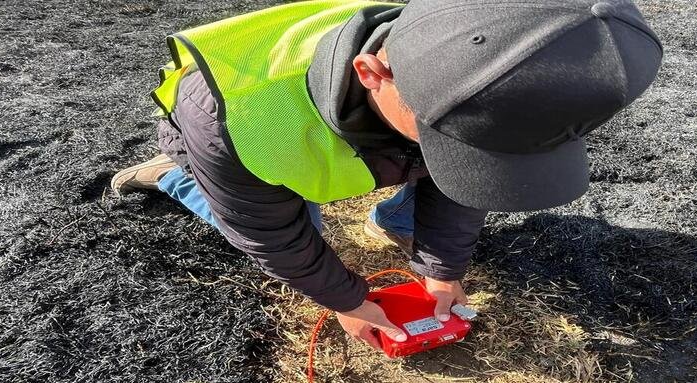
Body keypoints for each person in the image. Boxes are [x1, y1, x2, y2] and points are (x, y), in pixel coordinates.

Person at [111, 0, 662, 350]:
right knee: (292, 229)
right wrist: (346, 299)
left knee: (447, 167)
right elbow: (269, 234)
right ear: (372, 73)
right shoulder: (239, 118)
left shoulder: (477, 52)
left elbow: (468, 178)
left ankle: (394, 207)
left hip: (381, 139)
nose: (480, 155)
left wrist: (442, 268)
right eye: (451, 136)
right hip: (232, 147)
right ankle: (174, 178)